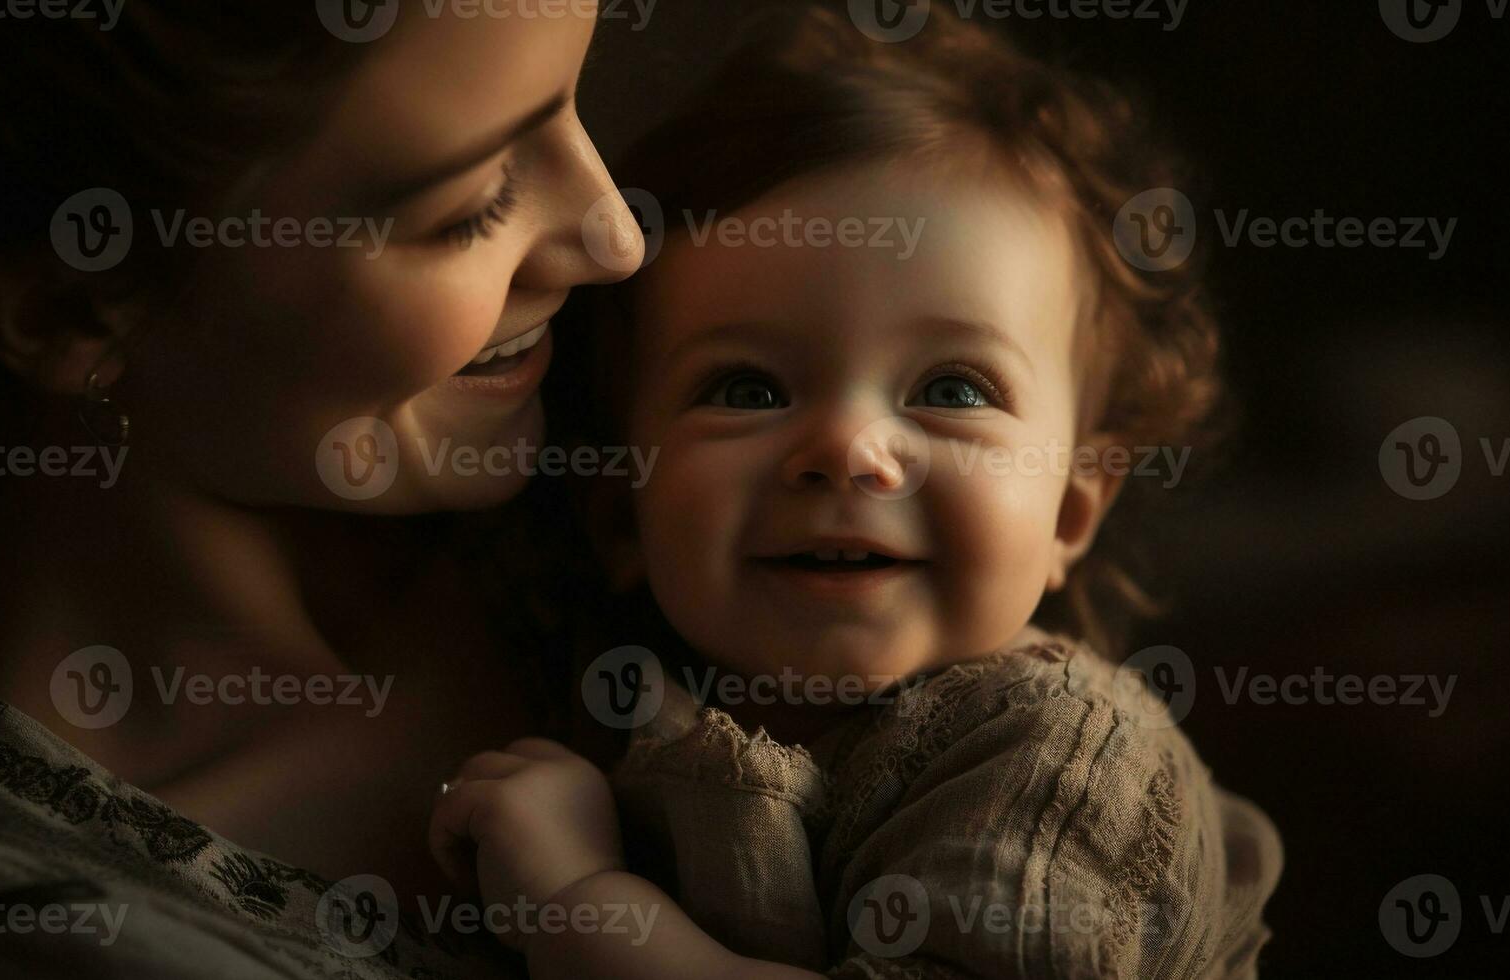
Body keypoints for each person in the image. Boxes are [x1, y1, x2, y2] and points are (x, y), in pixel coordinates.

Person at [432, 7, 1283, 978]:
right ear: (621, 512)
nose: (846, 448)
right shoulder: (615, 727)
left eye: (952, 389)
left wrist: (576, 900)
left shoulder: (1064, 753)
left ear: (1070, 509)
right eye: (745, 388)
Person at [0, 2, 642, 976]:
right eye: (474, 207)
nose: (617, 238)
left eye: (575, 100)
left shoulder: (656, 405)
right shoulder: (46, 933)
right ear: (71, 307)